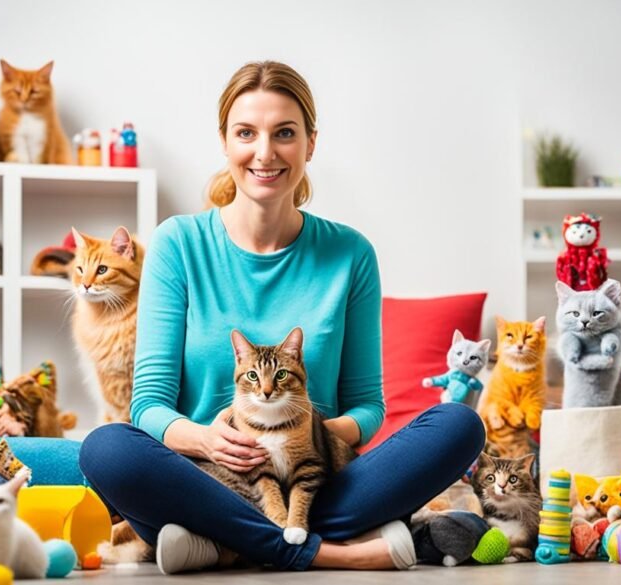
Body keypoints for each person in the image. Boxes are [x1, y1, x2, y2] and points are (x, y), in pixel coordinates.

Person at [80, 61, 485, 574]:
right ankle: (326, 551)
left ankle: (218, 544)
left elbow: (368, 407)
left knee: (458, 424)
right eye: (246, 133)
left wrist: (303, 438)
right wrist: (208, 439)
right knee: (107, 449)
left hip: (314, 484)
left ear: (310, 144)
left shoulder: (350, 254)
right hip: (206, 478)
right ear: (225, 142)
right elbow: (148, 407)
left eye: (285, 134)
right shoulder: (177, 244)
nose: (265, 152)